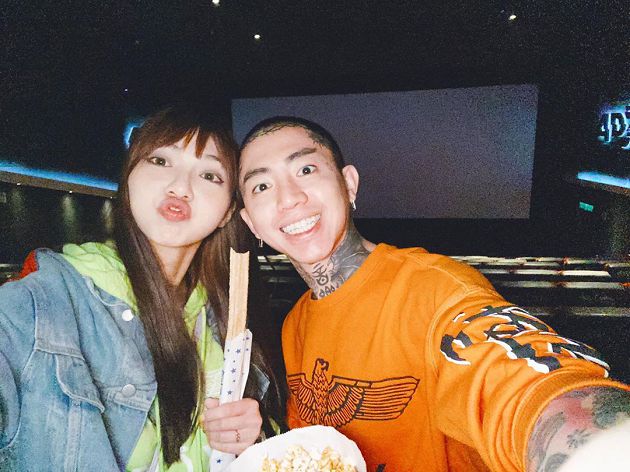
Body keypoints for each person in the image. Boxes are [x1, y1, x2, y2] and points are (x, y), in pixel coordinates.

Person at [237, 116, 630, 472]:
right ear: (251, 222)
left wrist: (597, 447)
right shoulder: (294, 325)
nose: (288, 198)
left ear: (349, 184)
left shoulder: (437, 290)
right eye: (261, 186)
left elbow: (520, 383)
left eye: (306, 170)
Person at [0, 105, 282, 471]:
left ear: (228, 212)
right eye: (161, 161)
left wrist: (250, 441)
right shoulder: (47, 301)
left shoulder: (224, 320)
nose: (180, 186)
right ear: (129, 177)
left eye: (209, 175)